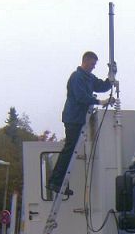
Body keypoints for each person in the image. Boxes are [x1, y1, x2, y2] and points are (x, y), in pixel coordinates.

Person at [47, 51, 114, 195]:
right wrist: (100, 101)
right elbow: (80, 96)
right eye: (92, 64)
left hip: (78, 118)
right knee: (70, 148)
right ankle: (55, 181)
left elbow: (102, 86)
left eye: (95, 65)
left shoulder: (89, 78)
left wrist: (111, 75)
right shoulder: (77, 77)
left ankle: (57, 182)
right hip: (73, 118)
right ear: (85, 61)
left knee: (70, 149)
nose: (93, 67)